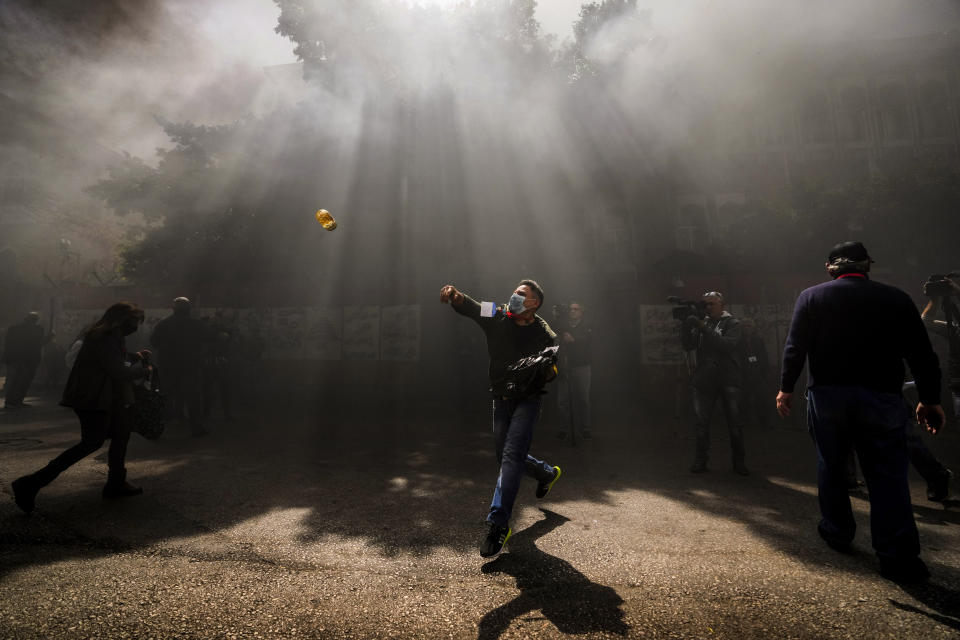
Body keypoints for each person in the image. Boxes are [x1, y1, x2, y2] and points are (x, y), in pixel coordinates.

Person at [777, 241, 944, 584]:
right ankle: (898, 557)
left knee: (833, 465)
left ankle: (837, 531)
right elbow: (922, 354)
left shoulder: (811, 297)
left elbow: (796, 348)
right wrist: (929, 399)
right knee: (887, 475)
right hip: (881, 397)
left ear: (830, 268)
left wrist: (786, 388)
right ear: (868, 264)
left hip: (827, 397)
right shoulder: (896, 298)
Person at [441, 279, 562, 558]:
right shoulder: (497, 313)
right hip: (501, 398)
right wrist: (456, 296)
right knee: (505, 455)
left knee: (510, 458)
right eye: (515, 292)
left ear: (535, 303)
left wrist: (547, 369)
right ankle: (546, 473)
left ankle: (498, 525)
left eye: (522, 295)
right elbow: (471, 307)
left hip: (527, 401)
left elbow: (553, 369)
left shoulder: (544, 333)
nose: (515, 297)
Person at [11, 303, 152, 513]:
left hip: (105, 397)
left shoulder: (108, 335)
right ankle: (30, 483)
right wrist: (142, 371)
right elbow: (116, 370)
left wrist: (133, 357)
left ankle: (116, 483)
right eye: (134, 322)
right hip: (93, 399)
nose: (135, 327)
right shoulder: (104, 337)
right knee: (91, 443)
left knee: (121, 433)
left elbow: (113, 360)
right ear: (122, 320)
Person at [688, 292, 749, 476]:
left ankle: (739, 462)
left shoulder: (733, 323)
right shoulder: (703, 322)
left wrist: (703, 327)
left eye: (711, 304)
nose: (707, 308)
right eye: (705, 304)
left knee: (734, 423)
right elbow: (688, 345)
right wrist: (687, 327)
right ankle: (700, 460)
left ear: (722, 305)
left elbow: (727, 345)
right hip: (705, 379)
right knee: (701, 423)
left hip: (728, 378)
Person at [150, 297, 208, 436]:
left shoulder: (163, 324)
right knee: (193, 397)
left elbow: (154, 342)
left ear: (173, 309)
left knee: (165, 397)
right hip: (190, 366)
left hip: (168, 367)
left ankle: (159, 428)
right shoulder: (196, 324)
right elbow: (208, 339)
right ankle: (196, 428)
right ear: (189, 309)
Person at [555, 301, 592, 442]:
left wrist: (574, 341)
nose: (572, 311)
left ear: (581, 311)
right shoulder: (563, 327)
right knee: (562, 401)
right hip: (566, 367)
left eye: (576, 309)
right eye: (571, 309)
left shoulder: (587, 326)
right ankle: (563, 429)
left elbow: (590, 343)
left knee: (583, 399)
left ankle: (585, 428)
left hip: (583, 367)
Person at [2, 312, 54, 409]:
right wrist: (49, 338)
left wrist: (6, 358)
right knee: (24, 381)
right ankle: (17, 401)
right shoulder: (37, 330)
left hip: (14, 359)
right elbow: (39, 344)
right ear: (35, 320)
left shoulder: (14, 329)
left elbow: (7, 344)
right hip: (29, 360)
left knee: (14, 380)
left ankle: (10, 401)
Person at [738, 317, 771, 430]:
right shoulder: (738, 342)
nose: (747, 328)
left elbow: (764, 357)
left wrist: (765, 371)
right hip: (744, 375)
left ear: (753, 328)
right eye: (744, 326)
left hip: (758, 374)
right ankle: (746, 421)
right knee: (744, 400)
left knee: (761, 399)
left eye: (749, 326)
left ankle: (764, 422)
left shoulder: (758, 341)